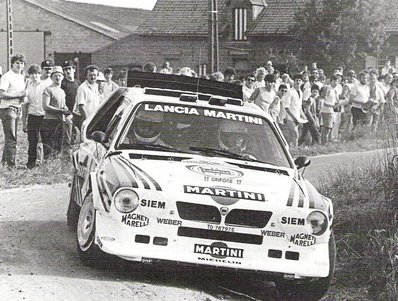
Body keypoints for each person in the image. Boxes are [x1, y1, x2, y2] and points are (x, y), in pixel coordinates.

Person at [0, 53, 26, 167]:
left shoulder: (21, 77)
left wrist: (23, 96)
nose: (19, 65)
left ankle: (5, 163)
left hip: (18, 109)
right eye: (17, 63)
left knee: (12, 137)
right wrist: (17, 95)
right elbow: (1, 94)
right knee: (11, 138)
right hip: (8, 109)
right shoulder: (7, 76)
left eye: (21, 63)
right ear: (12, 64)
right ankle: (11, 165)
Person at [41, 66, 71, 159]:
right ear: (51, 77)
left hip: (60, 121)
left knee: (58, 146)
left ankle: (54, 168)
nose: (57, 78)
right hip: (50, 121)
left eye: (59, 75)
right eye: (55, 76)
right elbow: (45, 106)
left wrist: (67, 111)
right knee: (49, 146)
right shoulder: (48, 89)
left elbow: (63, 105)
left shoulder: (62, 91)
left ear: (62, 77)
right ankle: (46, 167)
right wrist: (61, 111)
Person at [22, 64, 46, 169]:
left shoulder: (45, 86)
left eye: (36, 74)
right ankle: (31, 163)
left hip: (44, 116)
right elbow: (25, 105)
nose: (34, 76)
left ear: (40, 74)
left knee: (45, 140)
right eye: (32, 74)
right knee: (32, 141)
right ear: (29, 75)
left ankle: (45, 162)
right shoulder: (28, 87)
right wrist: (24, 122)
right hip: (32, 116)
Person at [282, 73, 306, 147]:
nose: (298, 82)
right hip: (290, 118)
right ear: (294, 81)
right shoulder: (290, 92)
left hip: (297, 117)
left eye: (299, 80)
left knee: (292, 135)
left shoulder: (301, 93)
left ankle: (291, 149)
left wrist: (303, 116)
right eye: (296, 80)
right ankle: (294, 149)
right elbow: (286, 107)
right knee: (295, 134)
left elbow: (299, 107)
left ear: (301, 82)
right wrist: (294, 118)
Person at [72, 65, 100, 129]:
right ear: (86, 76)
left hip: (91, 118)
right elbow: (81, 107)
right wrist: (87, 121)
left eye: (94, 75)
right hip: (81, 118)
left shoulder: (96, 86)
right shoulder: (82, 88)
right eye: (90, 75)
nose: (93, 77)